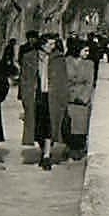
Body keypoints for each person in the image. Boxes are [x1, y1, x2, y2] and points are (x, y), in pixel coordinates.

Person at [20, 34, 68, 170]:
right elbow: (24, 79)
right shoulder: (29, 57)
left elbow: (63, 80)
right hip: (36, 96)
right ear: (42, 44)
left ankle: (47, 156)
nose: (53, 47)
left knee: (49, 125)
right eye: (50, 44)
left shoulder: (58, 58)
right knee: (38, 126)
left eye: (54, 44)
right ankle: (43, 150)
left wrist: (64, 99)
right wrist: (24, 98)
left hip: (52, 97)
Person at [64, 40, 96, 161]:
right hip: (68, 97)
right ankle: (69, 146)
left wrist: (84, 97)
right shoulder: (66, 62)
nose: (87, 53)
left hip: (82, 99)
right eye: (85, 50)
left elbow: (89, 82)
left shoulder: (89, 64)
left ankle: (78, 149)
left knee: (80, 126)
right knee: (68, 124)